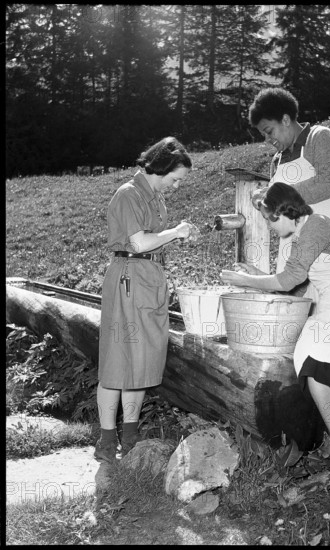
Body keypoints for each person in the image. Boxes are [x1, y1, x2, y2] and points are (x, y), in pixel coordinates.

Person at [220, 182, 330, 483]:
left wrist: (244, 279)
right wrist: (256, 278)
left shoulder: (317, 224)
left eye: (270, 219)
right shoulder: (301, 239)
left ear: (284, 211)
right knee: (312, 370)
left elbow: (289, 279)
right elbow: (293, 282)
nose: (271, 227)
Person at [95, 136, 200, 463]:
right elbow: (139, 242)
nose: (177, 184)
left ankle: (130, 434)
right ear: (164, 167)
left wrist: (175, 236)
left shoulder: (153, 197)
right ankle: (106, 439)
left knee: (140, 361)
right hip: (128, 279)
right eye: (176, 177)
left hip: (149, 279)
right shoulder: (129, 194)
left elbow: (153, 242)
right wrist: (176, 232)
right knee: (117, 360)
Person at [248, 88, 330, 300]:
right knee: (301, 308)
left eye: (270, 131)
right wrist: (263, 201)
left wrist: (278, 194)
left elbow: (329, 182)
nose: (267, 139)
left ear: (285, 119)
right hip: (298, 243)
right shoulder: (277, 160)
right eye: (263, 135)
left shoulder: (320, 138)